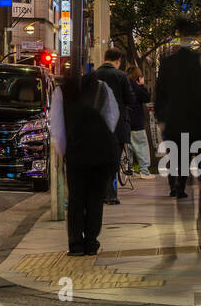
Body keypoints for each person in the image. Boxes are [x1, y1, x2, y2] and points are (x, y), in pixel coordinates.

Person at [153, 18, 201, 248]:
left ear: (177, 34)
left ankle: (185, 221)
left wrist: (163, 122)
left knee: (182, 181)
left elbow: (159, 98)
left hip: (175, 130)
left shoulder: (167, 64)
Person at [49, 69, 121, 256]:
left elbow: (57, 128)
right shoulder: (102, 87)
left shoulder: (62, 92)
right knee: (96, 199)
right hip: (101, 153)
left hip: (76, 152)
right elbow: (111, 118)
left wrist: (63, 153)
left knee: (76, 199)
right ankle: (91, 242)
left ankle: (76, 244)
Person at [95, 49, 136, 204]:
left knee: (99, 160)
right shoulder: (121, 76)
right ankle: (110, 194)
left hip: (98, 124)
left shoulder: (94, 75)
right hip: (117, 124)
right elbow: (130, 98)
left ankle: (101, 193)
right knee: (114, 160)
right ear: (118, 60)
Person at [127, 64, 153, 176]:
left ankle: (128, 170)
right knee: (141, 146)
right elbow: (146, 98)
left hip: (126, 122)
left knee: (128, 148)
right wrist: (142, 85)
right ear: (137, 77)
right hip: (137, 122)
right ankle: (144, 171)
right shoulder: (137, 88)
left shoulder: (125, 85)